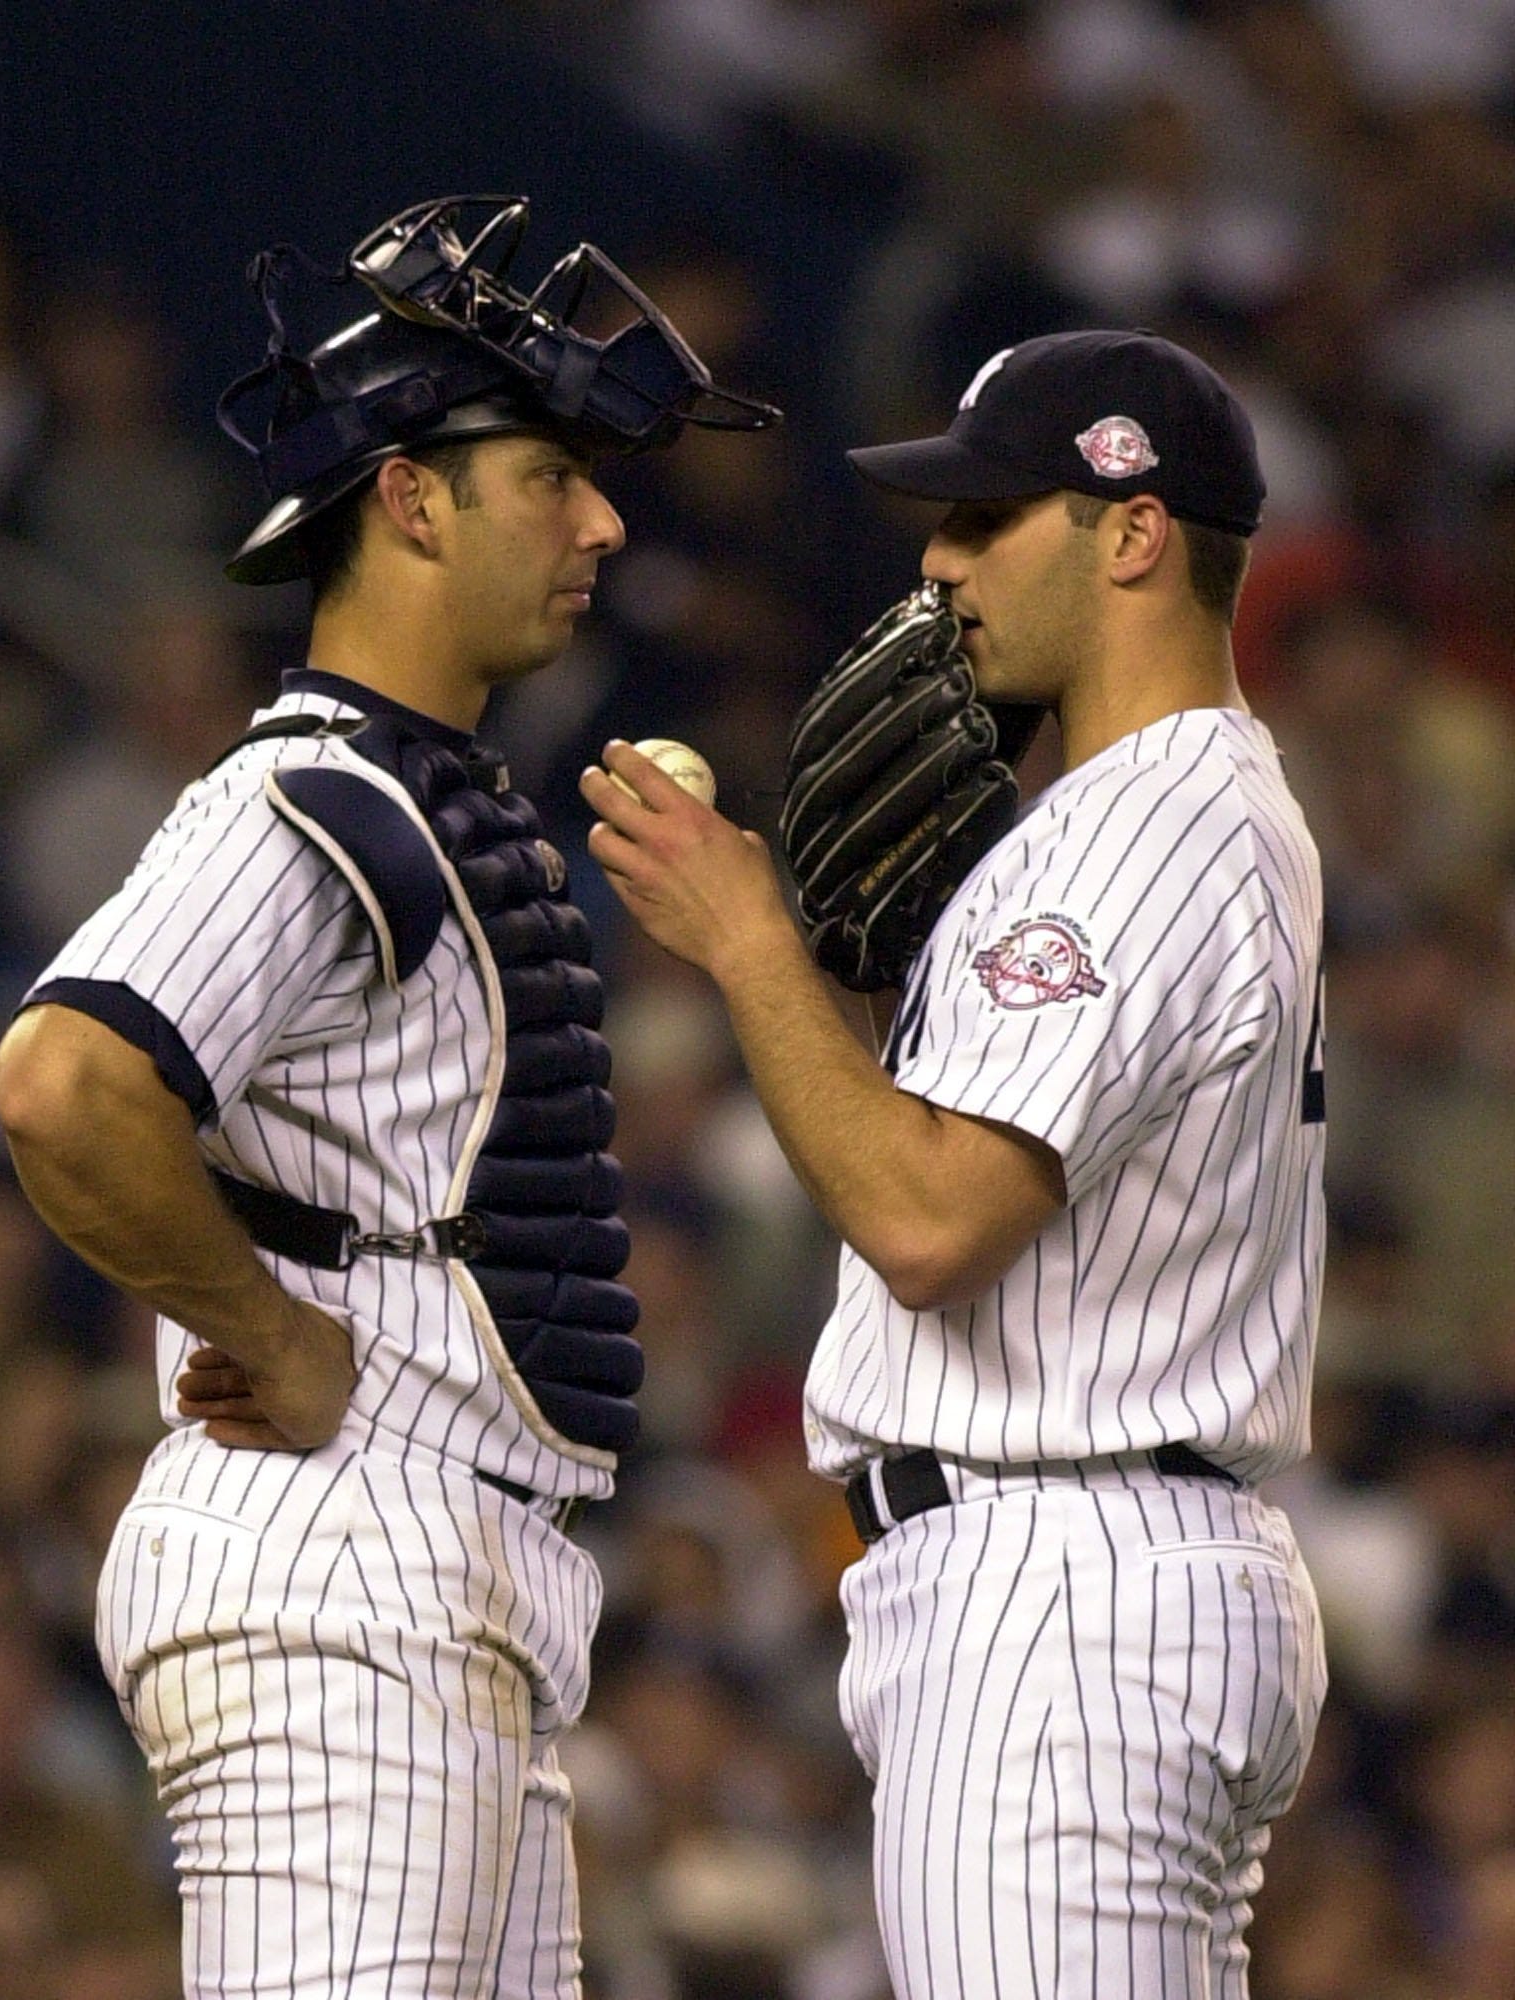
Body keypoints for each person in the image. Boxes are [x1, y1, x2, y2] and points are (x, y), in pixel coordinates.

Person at [0, 195, 777, 2000]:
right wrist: (259, 1316)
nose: (601, 518)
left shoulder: (424, 799)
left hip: (443, 1572)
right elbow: (61, 1079)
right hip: (340, 1565)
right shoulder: (310, 799)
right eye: (548, 477)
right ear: (411, 495)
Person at [582, 328, 1329, 1998]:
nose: (936, 561)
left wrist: (746, 941)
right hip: (1111, 1579)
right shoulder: (1161, 816)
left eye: (985, 519)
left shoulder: (1135, 835)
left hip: (1062, 1596)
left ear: (1130, 532)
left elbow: (929, 1223)